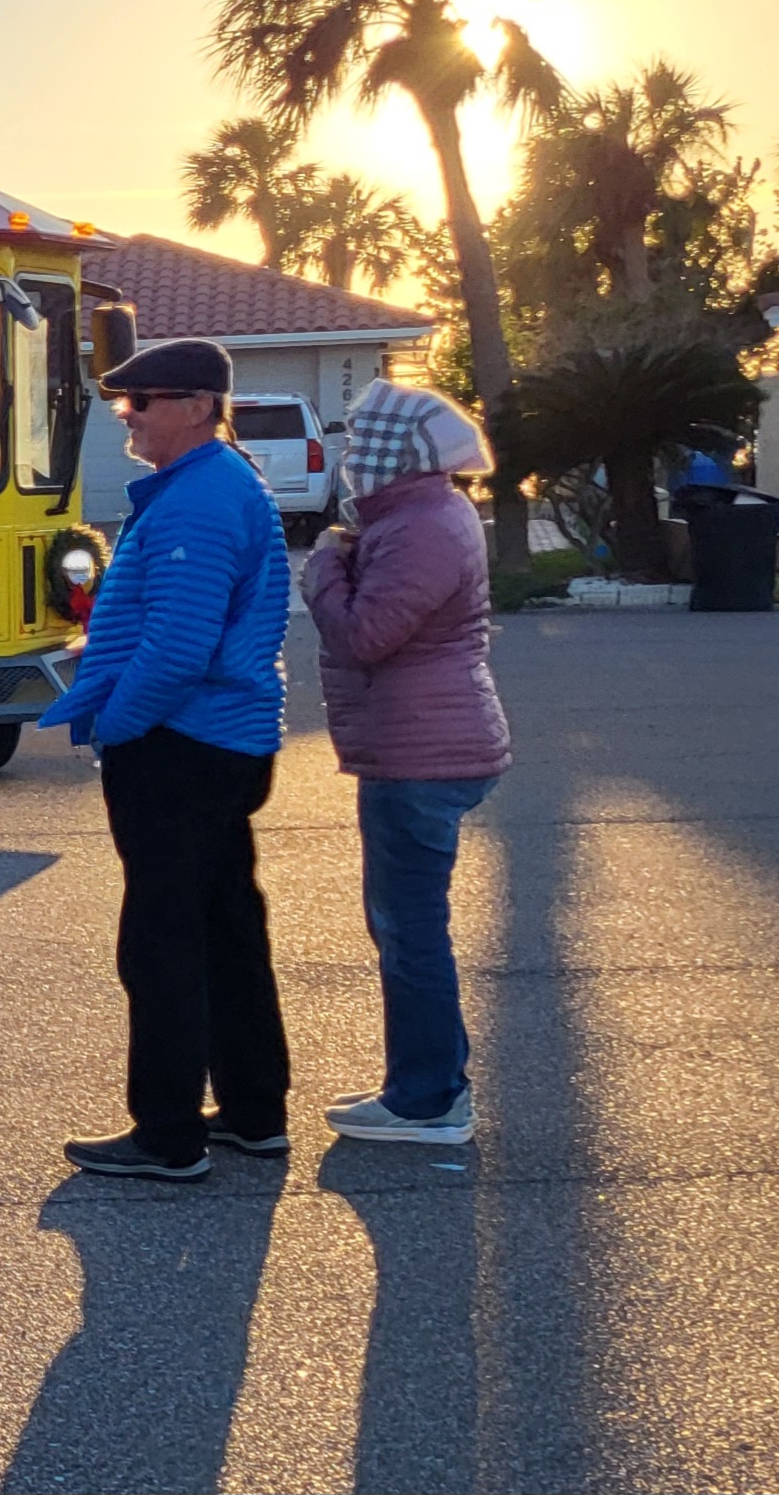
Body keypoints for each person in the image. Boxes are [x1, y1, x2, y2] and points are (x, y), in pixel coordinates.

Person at [37, 337, 293, 1181]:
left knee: (163, 941)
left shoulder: (197, 501)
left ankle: (168, 1132)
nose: (127, 420)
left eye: (139, 404)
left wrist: (118, 720)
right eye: (122, 405)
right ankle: (254, 1111)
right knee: (226, 928)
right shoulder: (217, 484)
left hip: (181, 743)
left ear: (194, 404)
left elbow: (178, 646)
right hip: (222, 739)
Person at [305, 381, 512, 1147]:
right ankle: (425, 1083)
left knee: (411, 928)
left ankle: (429, 1099)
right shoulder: (416, 516)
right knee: (406, 925)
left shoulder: (420, 526)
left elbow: (362, 635)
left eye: (364, 443)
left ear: (401, 449)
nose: (354, 458)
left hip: (420, 753)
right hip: (422, 744)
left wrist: (322, 568)